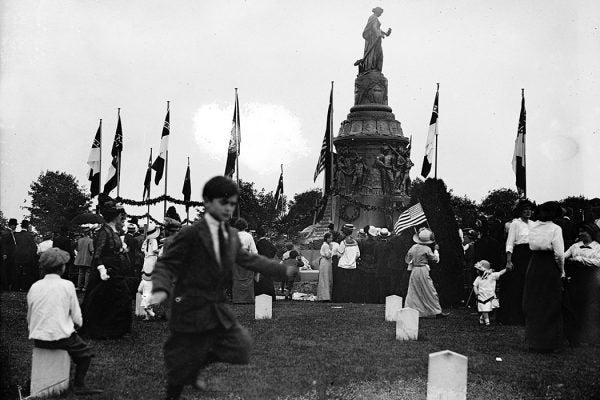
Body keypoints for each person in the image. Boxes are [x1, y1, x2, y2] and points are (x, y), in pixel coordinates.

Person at [150, 176, 297, 400]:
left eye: (232, 204)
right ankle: (177, 387)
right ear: (208, 202)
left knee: (241, 347)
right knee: (179, 363)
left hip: (215, 306)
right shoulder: (190, 234)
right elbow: (166, 263)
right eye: (223, 203)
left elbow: (251, 260)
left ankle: (194, 365)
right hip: (188, 304)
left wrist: (281, 270)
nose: (229, 208)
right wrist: (161, 288)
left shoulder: (231, 236)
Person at [27, 248, 103, 395]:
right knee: (85, 355)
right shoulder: (67, 285)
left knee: (48, 356)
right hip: (60, 337)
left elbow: (30, 315)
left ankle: (34, 381)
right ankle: (79, 385)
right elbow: (76, 316)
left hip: (38, 337)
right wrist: (77, 325)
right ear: (62, 267)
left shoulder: (34, 287)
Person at [81, 197, 132, 339]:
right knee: (113, 298)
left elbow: (112, 249)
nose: (123, 216)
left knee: (115, 299)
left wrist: (122, 250)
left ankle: (114, 329)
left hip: (115, 269)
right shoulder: (104, 231)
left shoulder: (112, 230)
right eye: (120, 214)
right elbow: (97, 254)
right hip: (107, 271)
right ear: (115, 216)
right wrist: (102, 270)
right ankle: (106, 330)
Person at [523, 201, 566, 352]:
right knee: (551, 303)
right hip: (548, 266)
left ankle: (535, 342)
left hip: (534, 265)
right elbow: (559, 254)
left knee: (534, 302)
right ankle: (550, 343)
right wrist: (561, 271)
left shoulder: (533, 226)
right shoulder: (556, 229)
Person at [564, 223, 600, 345]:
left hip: (592, 280)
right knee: (576, 306)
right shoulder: (575, 246)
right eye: (579, 232)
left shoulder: (598, 247)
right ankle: (575, 337)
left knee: (590, 307)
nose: (580, 234)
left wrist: (580, 259)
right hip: (576, 279)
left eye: (583, 231)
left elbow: (598, 262)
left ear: (590, 233)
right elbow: (563, 257)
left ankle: (591, 337)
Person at [500, 199, 534, 325]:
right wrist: (509, 260)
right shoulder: (515, 223)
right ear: (520, 211)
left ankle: (529, 316)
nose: (528, 211)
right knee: (517, 285)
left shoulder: (533, 224)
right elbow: (510, 242)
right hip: (519, 255)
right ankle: (515, 317)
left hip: (532, 254)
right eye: (525, 209)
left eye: (529, 209)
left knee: (530, 285)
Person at [404, 228, 447, 318]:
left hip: (415, 270)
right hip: (423, 270)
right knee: (430, 290)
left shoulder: (413, 247)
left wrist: (414, 261)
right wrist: (436, 251)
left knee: (414, 290)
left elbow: (407, 259)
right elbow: (435, 259)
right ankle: (437, 311)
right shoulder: (426, 249)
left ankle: (413, 310)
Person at [354, 7, 392, 73]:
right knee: (374, 53)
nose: (381, 15)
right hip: (372, 39)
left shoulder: (375, 18)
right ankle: (372, 67)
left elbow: (378, 28)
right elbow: (374, 27)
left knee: (378, 53)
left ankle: (376, 69)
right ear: (377, 11)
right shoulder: (373, 17)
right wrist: (378, 34)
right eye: (380, 13)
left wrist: (386, 33)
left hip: (376, 38)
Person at [472, 260, 507, 326]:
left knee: (487, 308)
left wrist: (506, 269)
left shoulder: (492, 276)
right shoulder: (478, 278)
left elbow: (500, 273)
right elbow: (475, 286)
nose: (477, 271)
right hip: (482, 296)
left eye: (478, 270)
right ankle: (487, 322)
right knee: (485, 309)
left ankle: (482, 318)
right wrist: (476, 292)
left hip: (490, 296)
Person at [333, 224, 360, 302]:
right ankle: (350, 299)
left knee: (342, 284)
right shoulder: (355, 242)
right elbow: (358, 254)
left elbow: (339, 254)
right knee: (351, 284)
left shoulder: (343, 243)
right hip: (352, 266)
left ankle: (342, 299)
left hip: (343, 266)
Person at [232, 218, 257, 304]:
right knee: (248, 278)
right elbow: (254, 251)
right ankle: (248, 299)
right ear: (245, 226)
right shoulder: (249, 236)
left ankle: (237, 299)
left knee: (236, 279)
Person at [14, 220, 38, 291]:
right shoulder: (30, 235)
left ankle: (17, 287)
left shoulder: (16, 235)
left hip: (17, 257)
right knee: (26, 273)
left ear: (21, 226)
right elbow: (34, 247)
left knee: (18, 272)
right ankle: (25, 287)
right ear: (27, 226)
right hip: (27, 257)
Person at [357, 226, 378, 303]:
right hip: (373, 264)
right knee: (372, 283)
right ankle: (371, 298)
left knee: (364, 283)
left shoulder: (362, 241)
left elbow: (361, 252)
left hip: (364, 263)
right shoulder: (376, 242)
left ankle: (364, 298)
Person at [254, 233, 277, 299]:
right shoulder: (268, 243)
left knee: (260, 279)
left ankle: (260, 294)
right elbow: (274, 249)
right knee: (269, 279)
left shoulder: (258, 244)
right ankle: (271, 295)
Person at [374, 228, 393, 303]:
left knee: (381, 284)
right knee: (388, 283)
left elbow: (375, 256)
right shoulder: (390, 245)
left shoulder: (377, 245)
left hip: (379, 266)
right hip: (388, 266)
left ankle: (381, 299)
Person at [1, 218, 18, 290]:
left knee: (9, 270)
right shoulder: (6, 233)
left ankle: (7, 285)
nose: (16, 227)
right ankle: (6, 286)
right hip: (8, 255)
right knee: (7, 270)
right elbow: (4, 244)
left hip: (10, 255)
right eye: (15, 225)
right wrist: (4, 254)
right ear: (12, 225)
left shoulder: (9, 232)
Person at [317, 233, 333, 301]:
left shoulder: (327, 245)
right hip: (325, 262)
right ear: (326, 238)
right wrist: (331, 250)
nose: (331, 239)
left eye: (331, 238)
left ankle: (325, 296)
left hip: (327, 262)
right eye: (329, 238)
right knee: (325, 278)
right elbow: (328, 256)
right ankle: (325, 297)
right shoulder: (326, 246)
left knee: (326, 278)